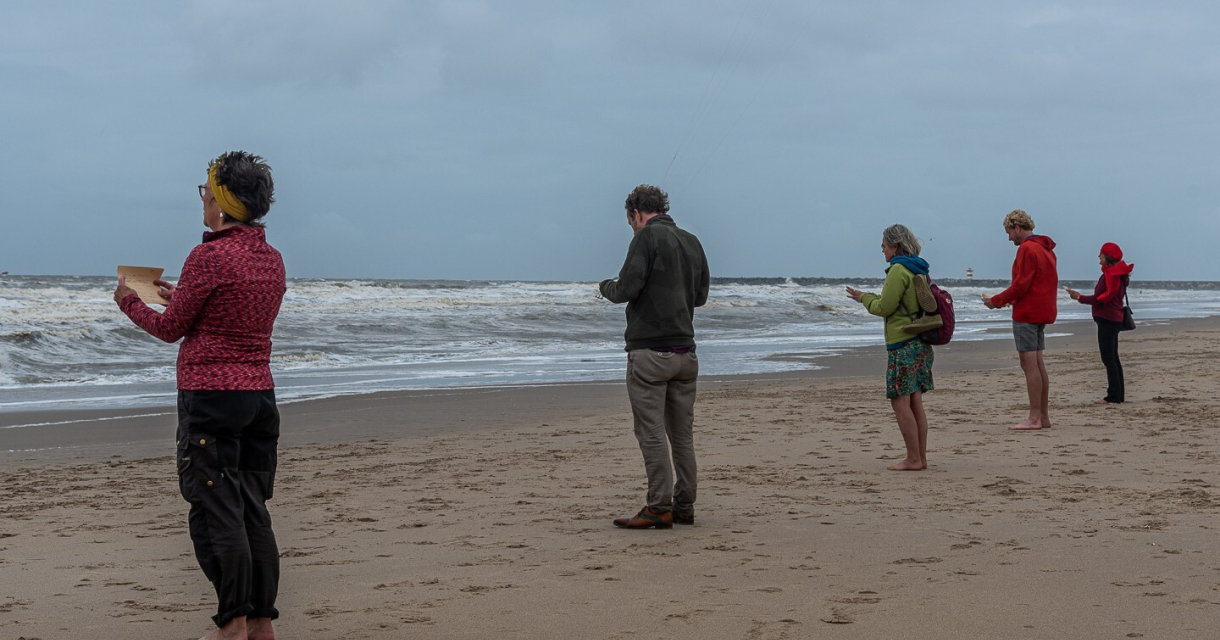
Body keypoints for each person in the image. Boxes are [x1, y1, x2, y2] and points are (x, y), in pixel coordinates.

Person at [114, 151, 286, 640]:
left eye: (206, 190)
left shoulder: (208, 256)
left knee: (216, 510)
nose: (203, 199)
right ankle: (259, 622)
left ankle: (231, 623)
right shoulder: (270, 259)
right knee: (253, 506)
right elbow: (230, 313)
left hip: (210, 397)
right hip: (258, 399)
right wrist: (182, 293)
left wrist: (129, 301)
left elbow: (171, 330)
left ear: (224, 201)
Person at [599, 184, 709, 529]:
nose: (631, 227)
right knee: (682, 435)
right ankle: (684, 504)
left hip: (650, 351)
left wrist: (605, 288)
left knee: (650, 432)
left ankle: (658, 505)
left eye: (630, 221)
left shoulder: (645, 238)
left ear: (636, 214)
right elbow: (701, 296)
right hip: (685, 352)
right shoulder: (692, 241)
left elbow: (626, 289)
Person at [846, 224, 934, 471]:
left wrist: (864, 298)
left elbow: (884, 307)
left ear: (895, 245)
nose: (882, 250)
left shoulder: (898, 270)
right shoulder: (919, 267)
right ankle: (920, 457)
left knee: (899, 401)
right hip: (920, 341)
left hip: (902, 342)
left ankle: (914, 458)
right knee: (915, 400)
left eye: (884, 245)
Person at [983, 209, 1058, 431]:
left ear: (1017, 227)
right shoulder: (1046, 249)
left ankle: (1034, 418)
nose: (1009, 238)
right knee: (1038, 363)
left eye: (1009, 232)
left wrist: (996, 301)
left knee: (1029, 365)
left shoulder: (1027, 249)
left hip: (1027, 313)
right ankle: (1043, 417)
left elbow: (1020, 285)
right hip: (1041, 310)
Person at [1065, 242, 1134, 404]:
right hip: (1111, 319)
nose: (1098, 256)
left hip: (1108, 320)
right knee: (1113, 358)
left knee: (1109, 359)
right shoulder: (1114, 274)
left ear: (1107, 257)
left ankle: (1114, 396)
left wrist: (1079, 298)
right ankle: (1117, 394)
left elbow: (1103, 299)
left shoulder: (1112, 275)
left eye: (1101, 254)